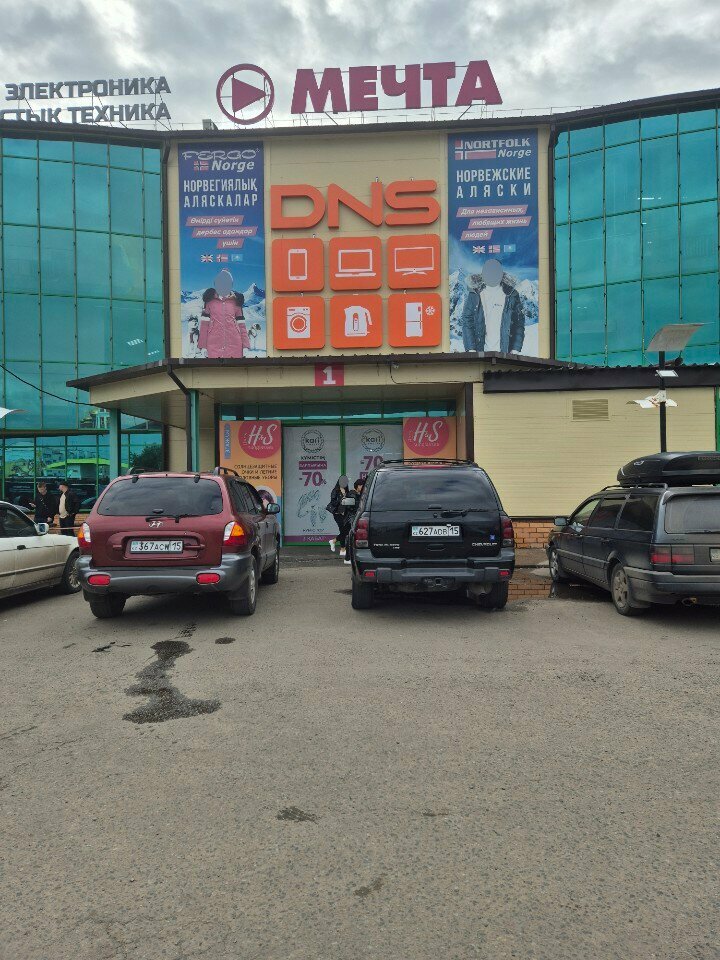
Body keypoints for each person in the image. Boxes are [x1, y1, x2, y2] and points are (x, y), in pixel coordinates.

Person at [460, 258, 526, 354]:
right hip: (480, 352)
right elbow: (467, 321)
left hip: (505, 353)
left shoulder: (512, 294)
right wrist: (471, 349)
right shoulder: (474, 294)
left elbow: (519, 322)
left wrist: (515, 350)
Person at [199, 269, 251, 359]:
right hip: (213, 345)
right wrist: (203, 346)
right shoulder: (209, 301)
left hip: (235, 345)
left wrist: (245, 346)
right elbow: (204, 325)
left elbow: (242, 326)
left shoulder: (236, 302)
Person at [327, 475, 354, 558]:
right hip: (338, 514)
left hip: (345, 514)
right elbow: (333, 502)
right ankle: (342, 549)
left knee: (346, 530)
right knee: (342, 530)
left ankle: (334, 541)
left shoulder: (347, 491)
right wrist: (342, 500)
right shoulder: (335, 490)